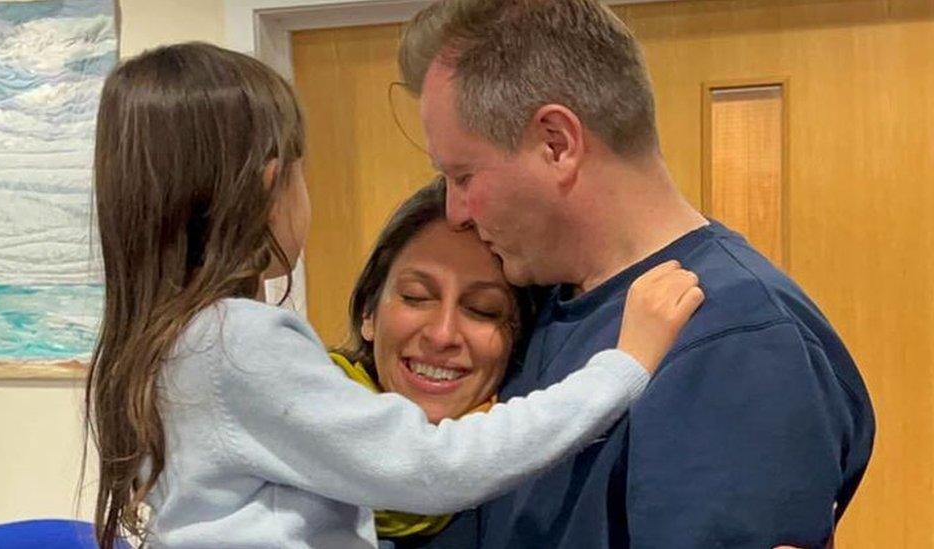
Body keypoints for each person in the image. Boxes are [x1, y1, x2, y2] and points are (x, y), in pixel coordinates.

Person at [83, 42, 705, 549]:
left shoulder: (168, 343)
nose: (443, 332)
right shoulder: (237, 342)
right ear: (270, 184)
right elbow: (431, 466)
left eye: (484, 309)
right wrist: (622, 368)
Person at [398, 1, 875, 548]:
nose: (455, 211)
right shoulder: (549, 305)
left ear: (557, 143)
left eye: (463, 175)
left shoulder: (733, 341)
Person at [331, 177, 535, 541]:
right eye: (416, 296)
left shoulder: (533, 490)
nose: (442, 335)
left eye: (482, 310)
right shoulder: (280, 446)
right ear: (368, 313)